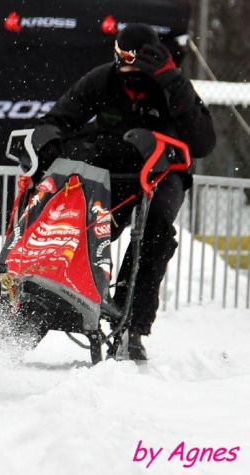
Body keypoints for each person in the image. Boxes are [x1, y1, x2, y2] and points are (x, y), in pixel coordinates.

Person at [28, 23, 216, 360]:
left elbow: (203, 142)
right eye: (123, 60)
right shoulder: (102, 79)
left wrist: (172, 80)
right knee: (82, 226)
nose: (129, 69)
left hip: (162, 172)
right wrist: (49, 141)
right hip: (111, 171)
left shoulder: (174, 84)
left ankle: (133, 325)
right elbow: (59, 118)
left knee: (155, 231)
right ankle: (46, 305)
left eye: (137, 62)